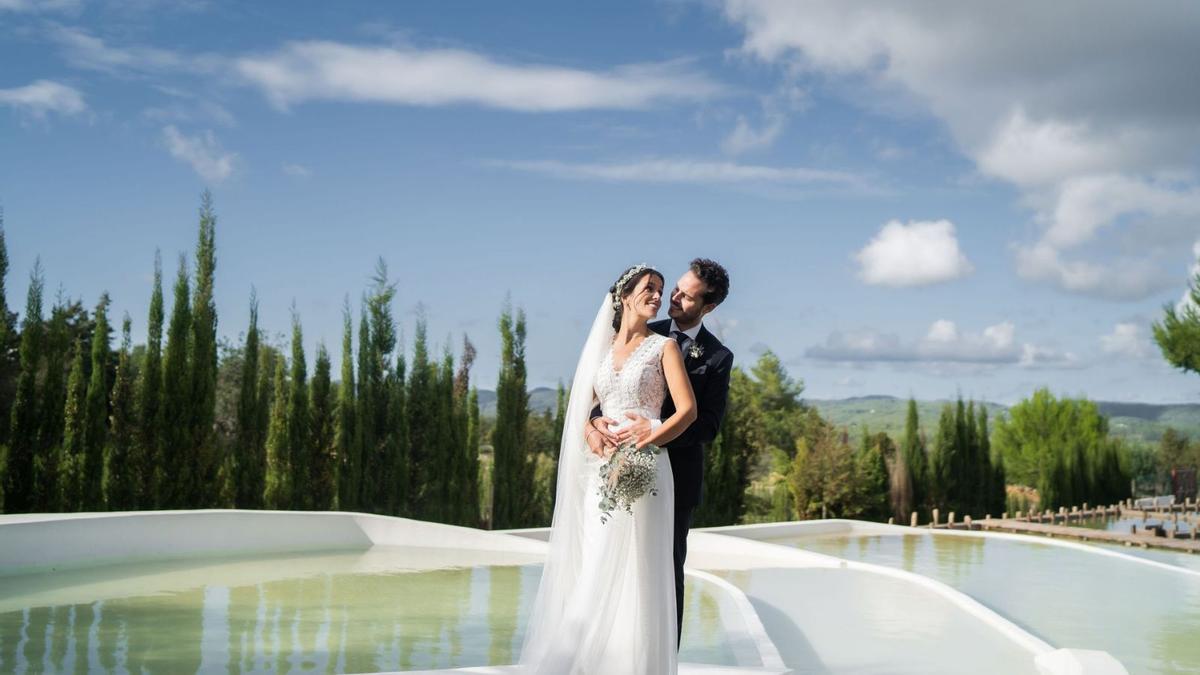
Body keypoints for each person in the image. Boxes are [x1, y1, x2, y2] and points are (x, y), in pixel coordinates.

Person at [519, 264, 698, 674]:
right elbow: (581, 410)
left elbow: (687, 412)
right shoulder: (599, 352)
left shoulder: (663, 347)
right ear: (624, 295)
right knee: (597, 558)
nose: (657, 296)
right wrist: (590, 428)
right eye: (648, 288)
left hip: (647, 467)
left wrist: (648, 438)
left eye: (660, 289)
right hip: (601, 471)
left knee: (640, 566)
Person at [588, 258, 733, 646]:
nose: (674, 297)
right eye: (676, 289)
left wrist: (652, 431)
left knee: (665, 573)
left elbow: (707, 425)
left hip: (673, 480)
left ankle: (661, 658)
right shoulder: (641, 333)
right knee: (610, 565)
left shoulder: (718, 358)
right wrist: (596, 423)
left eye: (687, 296)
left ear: (709, 306)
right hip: (613, 467)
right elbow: (608, 392)